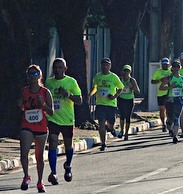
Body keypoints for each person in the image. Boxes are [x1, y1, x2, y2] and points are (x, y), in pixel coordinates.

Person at [45, 58, 82, 186]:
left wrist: (67, 94)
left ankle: (68, 165)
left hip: (67, 119)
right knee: (53, 143)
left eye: (60, 67)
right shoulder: (48, 82)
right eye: (55, 67)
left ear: (65, 69)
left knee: (68, 146)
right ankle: (53, 172)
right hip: (53, 118)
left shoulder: (71, 82)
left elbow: (79, 100)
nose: (57, 70)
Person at [18, 65, 54, 192]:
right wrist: (21, 105)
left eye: (35, 74)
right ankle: (26, 176)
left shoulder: (45, 92)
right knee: (24, 153)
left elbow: (51, 112)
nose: (32, 77)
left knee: (39, 157)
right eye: (30, 74)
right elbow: (23, 107)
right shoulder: (24, 91)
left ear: (40, 75)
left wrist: (43, 104)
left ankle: (40, 181)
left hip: (41, 126)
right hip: (27, 125)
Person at [87, 58, 124, 151]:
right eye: (103, 65)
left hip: (111, 104)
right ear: (100, 65)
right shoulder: (97, 77)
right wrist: (89, 95)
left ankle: (111, 129)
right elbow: (95, 87)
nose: (104, 66)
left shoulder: (113, 77)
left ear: (110, 66)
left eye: (107, 65)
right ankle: (103, 143)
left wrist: (114, 96)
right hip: (100, 104)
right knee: (101, 124)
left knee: (110, 123)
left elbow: (120, 88)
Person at [159, 61, 183, 144]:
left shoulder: (182, 79)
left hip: (179, 99)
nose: (176, 68)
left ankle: (175, 136)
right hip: (170, 100)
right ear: (172, 68)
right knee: (170, 117)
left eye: (178, 67)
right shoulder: (169, 78)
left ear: (180, 68)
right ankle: (169, 127)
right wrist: (170, 87)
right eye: (175, 67)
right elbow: (161, 87)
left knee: (176, 117)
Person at [118, 65, 140, 140]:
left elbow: (138, 91)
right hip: (121, 99)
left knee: (128, 116)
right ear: (123, 71)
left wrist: (132, 87)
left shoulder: (132, 80)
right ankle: (121, 130)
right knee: (122, 115)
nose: (126, 72)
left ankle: (126, 133)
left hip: (130, 99)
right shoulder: (120, 79)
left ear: (130, 72)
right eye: (125, 71)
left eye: (128, 71)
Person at [151, 58, 172, 133]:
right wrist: (160, 80)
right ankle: (163, 123)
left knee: (169, 110)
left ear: (168, 64)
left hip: (169, 93)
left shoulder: (171, 71)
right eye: (164, 64)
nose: (165, 66)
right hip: (161, 93)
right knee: (162, 109)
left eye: (166, 64)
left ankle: (169, 122)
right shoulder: (158, 72)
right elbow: (152, 81)